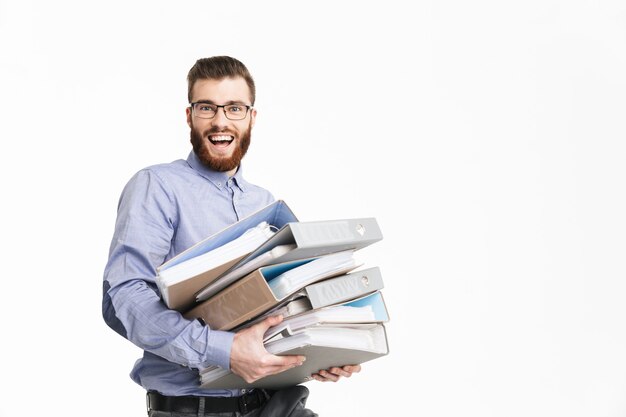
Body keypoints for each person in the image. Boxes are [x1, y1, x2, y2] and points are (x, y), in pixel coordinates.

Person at [102, 56, 361, 417]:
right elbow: (124, 301)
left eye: (234, 108)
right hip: (195, 410)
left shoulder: (266, 204)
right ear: (189, 116)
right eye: (207, 107)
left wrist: (318, 350)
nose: (221, 121)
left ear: (251, 117)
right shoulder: (157, 186)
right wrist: (223, 350)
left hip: (276, 404)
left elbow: (286, 306)